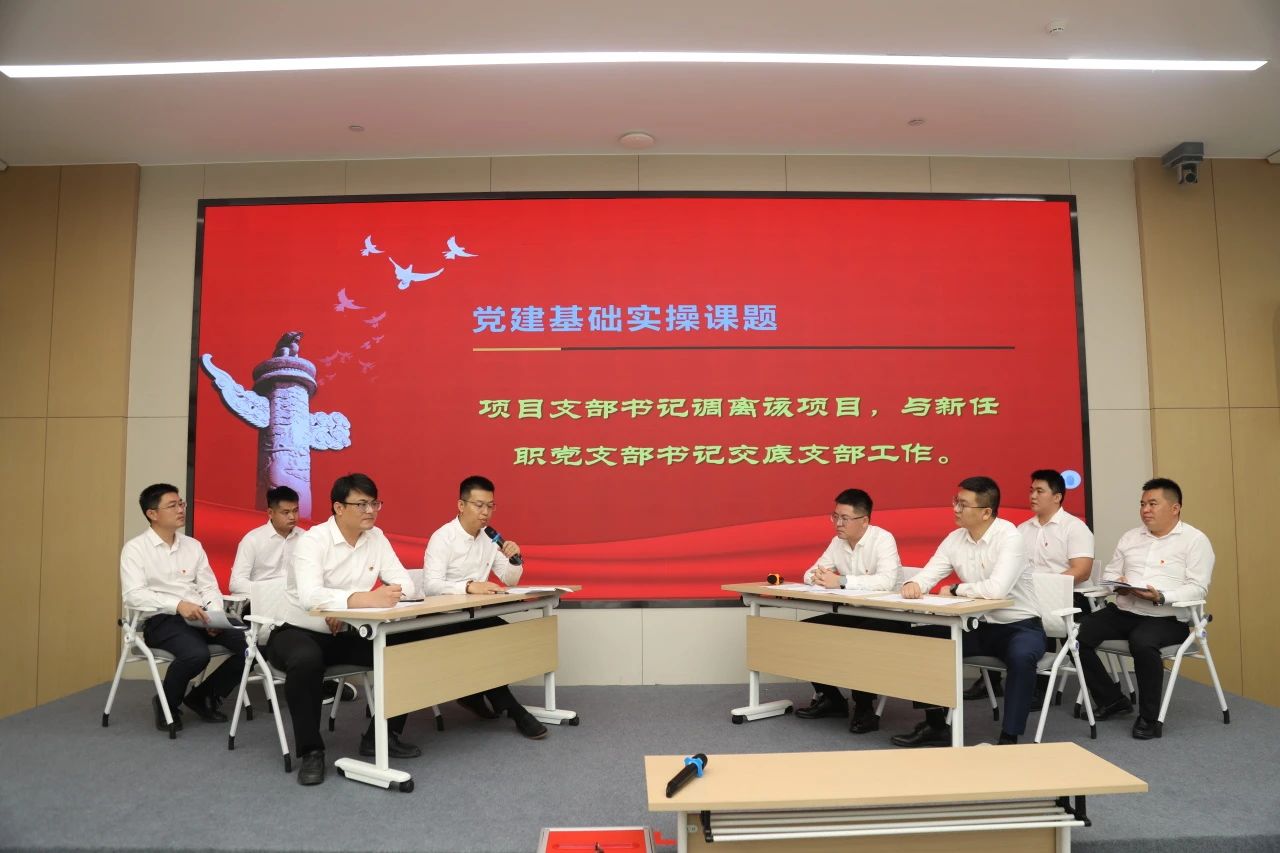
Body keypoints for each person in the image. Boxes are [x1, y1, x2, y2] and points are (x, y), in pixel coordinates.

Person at [267, 473, 422, 785]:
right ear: (338, 507)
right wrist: (359, 600)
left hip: (347, 631)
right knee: (306, 661)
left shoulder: (376, 538)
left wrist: (348, 608)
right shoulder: (313, 541)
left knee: (406, 650)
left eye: (374, 503)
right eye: (361, 504)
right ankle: (311, 751)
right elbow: (310, 597)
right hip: (297, 630)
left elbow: (405, 584)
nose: (371, 510)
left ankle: (380, 736)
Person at [892, 476, 1046, 747]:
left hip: (1020, 626)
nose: (955, 509)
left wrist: (955, 589)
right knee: (922, 642)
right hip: (977, 624)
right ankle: (936, 725)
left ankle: (1009, 736)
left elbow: (996, 590)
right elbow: (929, 574)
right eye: (956, 501)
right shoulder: (955, 539)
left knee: (1022, 657)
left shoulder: (1010, 538)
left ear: (986, 512)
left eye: (963, 505)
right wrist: (913, 584)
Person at [1076, 478, 1214, 740]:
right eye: (1142, 504)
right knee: (1076, 634)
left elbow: (1198, 589)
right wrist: (1118, 585)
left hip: (1167, 618)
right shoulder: (1131, 537)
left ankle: (1149, 718)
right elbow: (1111, 573)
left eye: (1152, 504)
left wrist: (1161, 596)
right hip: (1126, 610)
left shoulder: (1195, 540)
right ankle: (1112, 699)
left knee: (1142, 641)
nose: (1145, 510)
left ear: (1175, 508)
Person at [422, 475, 548, 740]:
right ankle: (515, 712)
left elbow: (510, 580)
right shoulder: (443, 538)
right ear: (461, 505)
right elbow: (431, 585)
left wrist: (515, 558)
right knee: (484, 644)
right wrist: (469, 586)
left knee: (508, 639)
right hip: (442, 619)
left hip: (475, 616)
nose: (485, 512)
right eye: (479, 505)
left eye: (490, 506)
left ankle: (475, 694)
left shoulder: (490, 538)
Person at [119, 483, 247, 733]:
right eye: (172, 505)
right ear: (152, 514)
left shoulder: (193, 546)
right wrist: (177, 605)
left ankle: (204, 696)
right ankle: (166, 703)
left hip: (200, 615)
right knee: (196, 655)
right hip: (161, 620)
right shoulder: (135, 549)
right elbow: (133, 595)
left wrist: (214, 615)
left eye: (181, 503)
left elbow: (208, 586)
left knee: (252, 645)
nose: (180, 509)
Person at [969, 469, 1094, 699]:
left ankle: (1036, 689)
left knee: (1032, 622)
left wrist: (1047, 588)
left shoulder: (1074, 527)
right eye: (1031, 490)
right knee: (994, 616)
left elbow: (1082, 571)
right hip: (1029, 597)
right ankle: (991, 682)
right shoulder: (1021, 530)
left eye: (1039, 491)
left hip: (1068, 597)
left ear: (1057, 497)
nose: (1033, 496)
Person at [792, 489, 901, 734]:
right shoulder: (837, 543)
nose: (838, 524)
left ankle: (865, 707)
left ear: (864, 521)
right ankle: (832, 699)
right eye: (835, 516)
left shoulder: (883, 539)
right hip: (853, 613)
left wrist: (841, 581)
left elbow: (885, 581)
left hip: (890, 615)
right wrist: (819, 577)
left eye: (844, 518)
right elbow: (810, 573)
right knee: (804, 632)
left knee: (859, 639)